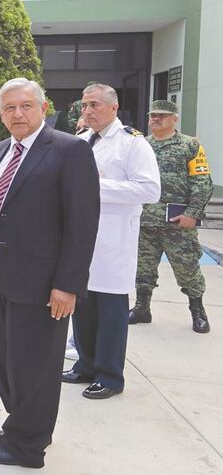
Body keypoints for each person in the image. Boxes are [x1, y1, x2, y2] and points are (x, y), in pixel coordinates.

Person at [0, 77, 100, 469]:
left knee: (36, 363)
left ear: (42, 108)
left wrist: (68, 285)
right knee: (8, 358)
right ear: (0, 114)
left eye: (25, 106)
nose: (17, 114)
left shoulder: (70, 150)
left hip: (43, 282)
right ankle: (25, 424)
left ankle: (25, 447)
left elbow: (82, 223)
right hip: (0, 272)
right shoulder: (3, 148)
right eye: (9, 108)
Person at [62, 84, 160, 400]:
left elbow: (149, 190)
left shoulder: (132, 144)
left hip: (113, 240)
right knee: (83, 306)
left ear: (113, 108)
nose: (87, 111)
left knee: (110, 311)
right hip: (81, 239)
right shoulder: (80, 142)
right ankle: (85, 366)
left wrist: (97, 187)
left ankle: (109, 376)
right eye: (84, 105)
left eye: (95, 105)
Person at [130, 99, 214, 333]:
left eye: (162, 116)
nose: (156, 119)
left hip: (177, 222)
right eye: (153, 115)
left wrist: (192, 214)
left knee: (187, 268)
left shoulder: (190, 145)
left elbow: (202, 181)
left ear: (174, 119)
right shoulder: (141, 145)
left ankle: (198, 311)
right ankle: (142, 308)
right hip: (145, 220)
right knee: (142, 269)